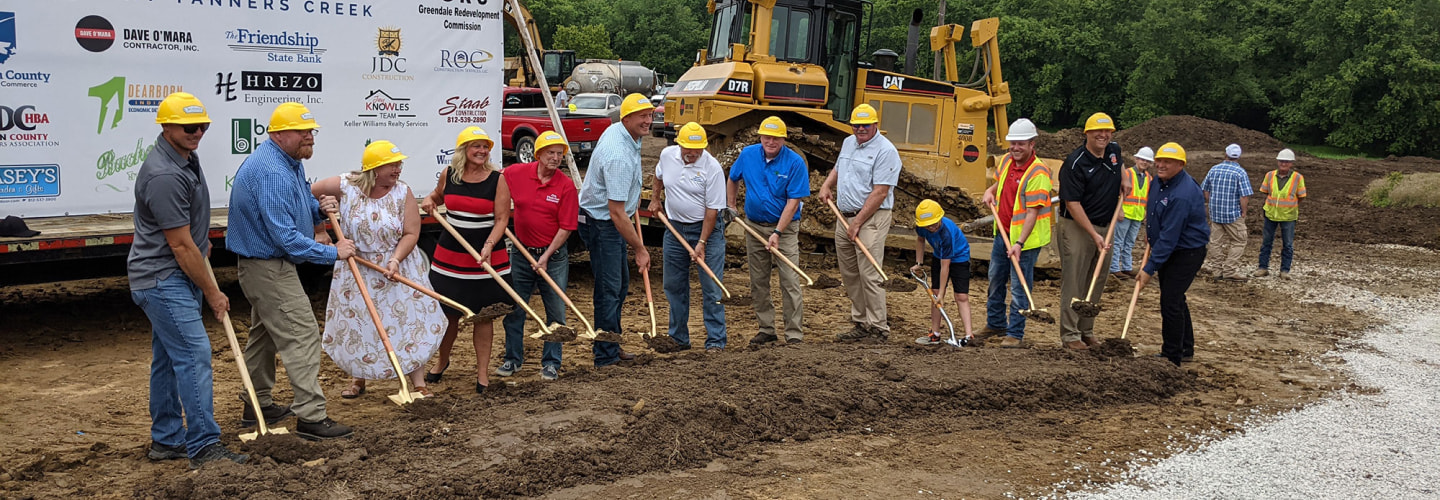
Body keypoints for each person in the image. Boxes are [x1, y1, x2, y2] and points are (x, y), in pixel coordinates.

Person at [128, 92, 248, 468]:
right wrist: (213, 292)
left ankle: (167, 440)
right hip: (164, 278)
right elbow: (179, 247)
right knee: (195, 356)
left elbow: (187, 238)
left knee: (168, 358)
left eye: (203, 126)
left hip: (169, 274)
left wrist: (201, 245)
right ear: (166, 127)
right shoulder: (164, 175)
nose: (198, 133)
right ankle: (203, 446)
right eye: (189, 127)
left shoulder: (184, 158)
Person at [228, 102, 356, 440]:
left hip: (266, 265)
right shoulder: (271, 171)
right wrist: (333, 253)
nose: (309, 137)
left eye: (311, 131)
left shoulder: (289, 162)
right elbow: (285, 238)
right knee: (302, 334)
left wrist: (318, 209)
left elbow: (296, 205)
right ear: (278, 134)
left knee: (265, 335)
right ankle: (311, 417)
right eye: (302, 132)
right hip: (268, 267)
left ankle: (256, 403)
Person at [311, 140, 445, 399]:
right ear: (374, 169)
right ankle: (358, 379)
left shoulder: (402, 191)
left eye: (399, 164)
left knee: (407, 321)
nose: (398, 169)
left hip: (397, 267)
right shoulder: (345, 185)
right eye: (392, 165)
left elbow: (411, 232)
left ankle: (417, 382)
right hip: (356, 266)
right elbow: (307, 194)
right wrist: (319, 227)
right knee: (360, 323)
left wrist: (395, 259)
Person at [420, 126, 514, 394]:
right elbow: (437, 197)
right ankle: (441, 362)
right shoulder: (450, 175)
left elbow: (502, 220)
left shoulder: (498, 180)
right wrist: (429, 199)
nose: (482, 151)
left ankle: (482, 375)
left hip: (485, 258)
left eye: (485, 147)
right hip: (450, 258)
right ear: (464, 150)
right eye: (476, 146)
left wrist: (488, 245)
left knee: (483, 317)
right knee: (448, 314)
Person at [578, 93, 654, 366]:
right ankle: (605, 355)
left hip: (609, 219)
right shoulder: (618, 155)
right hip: (603, 224)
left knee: (619, 286)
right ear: (627, 118)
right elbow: (616, 213)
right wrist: (640, 249)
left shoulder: (623, 133)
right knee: (610, 289)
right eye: (642, 116)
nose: (648, 121)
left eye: (650, 115)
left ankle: (613, 341)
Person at [499, 131, 579, 381]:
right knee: (515, 308)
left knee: (555, 312)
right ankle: (512, 359)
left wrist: (546, 256)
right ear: (538, 155)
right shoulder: (516, 174)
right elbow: (497, 180)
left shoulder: (565, 186)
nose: (556, 158)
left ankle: (551, 363)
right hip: (522, 253)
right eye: (550, 153)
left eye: (559, 154)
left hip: (553, 258)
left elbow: (566, 227)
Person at [819, 103, 901, 341]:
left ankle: (878, 327)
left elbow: (880, 192)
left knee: (870, 274)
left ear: (876, 125)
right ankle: (861, 322)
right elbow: (839, 168)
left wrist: (857, 222)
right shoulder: (848, 142)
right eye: (856, 125)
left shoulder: (886, 151)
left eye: (865, 125)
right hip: (843, 216)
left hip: (870, 219)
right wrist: (826, 185)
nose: (860, 129)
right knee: (850, 273)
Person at [726, 116, 810, 346]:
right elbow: (733, 178)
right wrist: (731, 205)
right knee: (758, 280)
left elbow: (793, 201)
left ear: (783, 139)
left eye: (775, 138)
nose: (770, 141)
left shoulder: (794, 163)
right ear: (760, 137)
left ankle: (794, 333)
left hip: (785, 229)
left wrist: (778, 232)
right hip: (753, 226)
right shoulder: (748, 155)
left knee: (790, 280)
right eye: (766, 137)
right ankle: (766, 328)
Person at [648, 122, 728, 351]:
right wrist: (655, 199)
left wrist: (701, 242)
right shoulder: (667, 155)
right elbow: (658, 176)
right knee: (674, 285)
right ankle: (679, 338)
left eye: (697, 151)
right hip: (674, 229)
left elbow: (712, 212)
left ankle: (715, 340)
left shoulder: (712, 168)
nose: (692, 155)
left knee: (711, 286)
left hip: (706, 231)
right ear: (679, 144)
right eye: (688, 150)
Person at [1056, 112, 1129, 350]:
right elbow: (1072, 204)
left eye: (1107, 131)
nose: (1103, 135)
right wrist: (1093, 234)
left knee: (1096, 281)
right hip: (1077, 227)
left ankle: (1087, 330)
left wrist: (1125, 178)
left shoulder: (1113, 150)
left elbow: (1121, 164)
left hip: (1105, 226)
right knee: (1075, 282)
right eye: (1098, 131)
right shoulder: (1075, 163)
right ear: (1086, 134)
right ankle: (1070, 335)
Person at [980, 118, 1054, 348]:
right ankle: (995, 323)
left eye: (1021, 144)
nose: (1015, 148)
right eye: (1012, 143)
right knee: (995, 279)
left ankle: (1015, 333)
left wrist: (1019, 243)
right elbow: (999, 183)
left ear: (1032, 144)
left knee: (1019, 286)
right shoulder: (1005, 161)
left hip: (1025, 241)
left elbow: (1032, 213)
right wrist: (990, 191)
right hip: (1002, 233)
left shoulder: (1038, 173)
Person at [1137, 143, 1210, 366]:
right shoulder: (1158, 181)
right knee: (1175, 298)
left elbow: (1171, 235)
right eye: (1159, 160)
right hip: (1168, 245)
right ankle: (1185, 347)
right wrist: (1150, 235)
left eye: (1167, 162)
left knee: (1170, 300)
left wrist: (1149, 268)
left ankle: (1172, 356)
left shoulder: (1183, 194)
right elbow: (1154, 212)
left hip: (1187, 251)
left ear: (1180, 165)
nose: (1160, 165)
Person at [910, 200, 973, 345]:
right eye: (928, 225)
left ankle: (969, 335)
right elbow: (920, 240)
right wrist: (919, 263)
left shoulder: (946, 233)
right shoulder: (922, 227)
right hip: (939, 256)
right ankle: (935, 333)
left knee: (961, 295)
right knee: (935, 293)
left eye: (934, 223)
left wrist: (941, 295)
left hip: (960, 258)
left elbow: (946, 267)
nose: (931, 227)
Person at [1201, 143, 1254, 281]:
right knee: (1239, 240)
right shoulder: (1240, 172)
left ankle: (1217, 271)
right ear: (1238, 156)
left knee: (1215, 242)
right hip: (1232, 214)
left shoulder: (1214, 169)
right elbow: (1244, 196)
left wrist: (1211, 203)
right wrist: (1244, 211)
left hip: (1216, 213)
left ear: (1226, 154)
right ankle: (1229, 270)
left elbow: (1205, 190)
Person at [1254, 148, 1306, 279]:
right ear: (1278, 162)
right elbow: (1265, 191)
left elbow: (1301, 196)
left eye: (1286, 162)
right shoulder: (1269, 175)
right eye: (1282, 161)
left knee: (1288, 244)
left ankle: (1284, 271)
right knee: (1266, 242)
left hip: (1288, 216)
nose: (1284, 164)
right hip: (1271, 213)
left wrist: (1290, 205)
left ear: (1291, 164)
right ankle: (1263, 267)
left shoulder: (1297, 178)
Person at [1111, 146, 1154, 280]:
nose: (1144, 162)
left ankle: (1127, 267)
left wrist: (1146, 212)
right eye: (1142, 159)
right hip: (1125, 214)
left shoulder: (1149, 178)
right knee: (1118, 241)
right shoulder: (1127, 174)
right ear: (1136, 159)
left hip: (1138, 215)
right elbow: (1116, 193)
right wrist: (1119, 210)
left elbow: (1147, 196)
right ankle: (1114, 269)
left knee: (1129, 242)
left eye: (1147, 161)